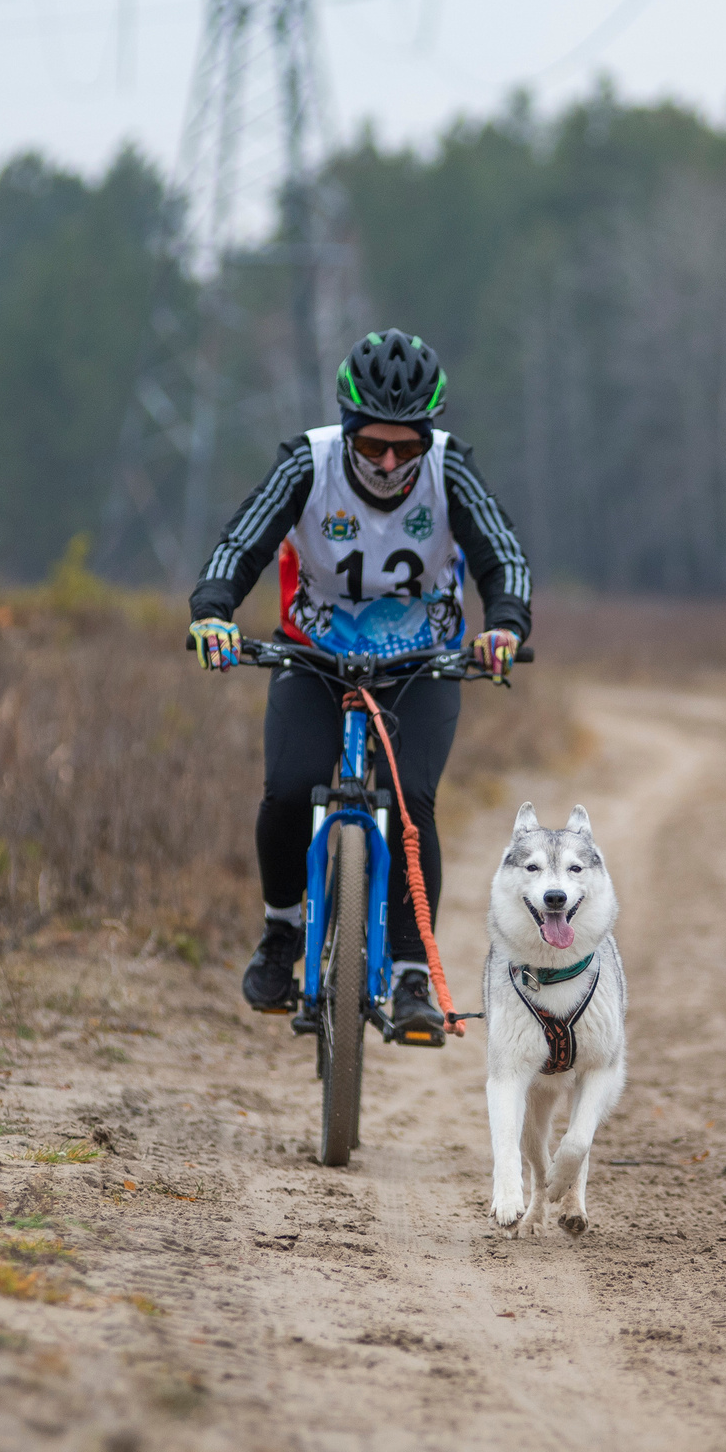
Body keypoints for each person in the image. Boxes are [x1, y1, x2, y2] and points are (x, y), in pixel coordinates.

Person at [187, 329, 531, 1043]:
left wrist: (505, 624)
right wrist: (213, 612)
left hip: (421, 662)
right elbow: (240, 542)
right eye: (373, 444)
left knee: (412, 797)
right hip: (314, 654)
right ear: (346, 430)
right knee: (288, 788)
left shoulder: (449, 469)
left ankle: (411, 971)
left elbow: (503, 554)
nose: (388, 461)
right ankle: (282, 932)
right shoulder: (307, 463)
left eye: (405, 446)